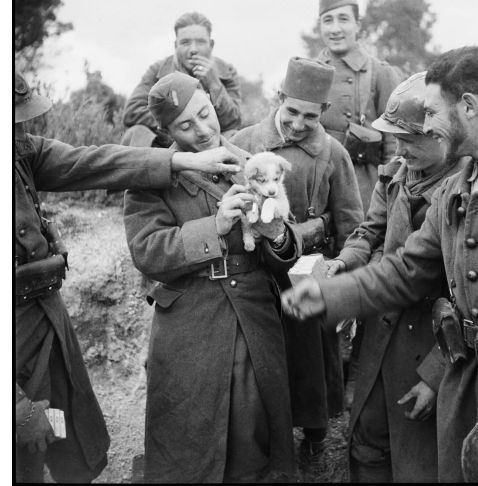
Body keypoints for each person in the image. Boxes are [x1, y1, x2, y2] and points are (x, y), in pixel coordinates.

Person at [282, 46, 478, 482]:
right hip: (463, 395)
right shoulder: (460, 187)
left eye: (435, 113)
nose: (432, 128)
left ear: (468, 107)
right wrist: (330, 293)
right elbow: (407, 270)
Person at [14, 71, 242, 483]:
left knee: (61, 429)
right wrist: (12, 406)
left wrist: (182, 159)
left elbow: (95, 162)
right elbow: (151, 249)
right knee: (24, 442)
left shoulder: (20, 152)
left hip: (45, 318)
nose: (21, 130)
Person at [123, 72, 302, 483]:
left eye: (205, 114)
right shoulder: (152, 178)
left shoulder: (252, 163)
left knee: (253, 431)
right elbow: (147, 251)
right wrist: (215, 227)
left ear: (211, 99)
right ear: (166, 130)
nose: (203, 130)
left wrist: (277, 236)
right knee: (189, 436)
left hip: (253, 316)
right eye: (185, 126)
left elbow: (284, 250)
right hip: (190, 322)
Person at [324, 71, 468, 482]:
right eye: (396, 139)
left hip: (432, 343)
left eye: (410, 140)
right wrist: (345, 263)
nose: (400, 150)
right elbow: (369, 232)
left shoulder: (465, 190)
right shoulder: (395, 174)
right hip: (380, 333)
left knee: (419, 456)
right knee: (368, 439)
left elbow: (473, 297)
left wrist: (437, 375)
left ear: (442, 133)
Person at [231, 57, 364, 460]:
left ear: (323, 112)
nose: (298, 123)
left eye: (310, 115)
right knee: (258, 363)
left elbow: (352, 224)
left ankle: (315, 438)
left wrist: (342, 279)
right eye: (291, 111)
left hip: (304, 274)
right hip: (254, 274)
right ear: (279, 98)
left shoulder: (333, 154)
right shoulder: (246, 141)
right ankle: (262, 444)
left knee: (310, 360)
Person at [316, 0, 401, 213]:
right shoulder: (309, 72)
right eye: (328, 20)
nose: (335, 29)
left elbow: (394, 141)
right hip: (320, 182)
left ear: (357, 25)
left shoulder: (380, 72)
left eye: (343, 19)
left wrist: (388, 192)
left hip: (365, 185)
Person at [121, 11, 242, 147]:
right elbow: (132, 112)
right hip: (168, 144)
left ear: (211, 45)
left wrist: (214, 83)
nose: (193, 50)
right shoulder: (158, 70)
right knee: (137, 133)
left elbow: (233, 122)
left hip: (210, 142)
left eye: (201, 42)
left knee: (234, 135)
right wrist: (175, 125)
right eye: (185, 43)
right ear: (175, 46)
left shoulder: (226, 71)